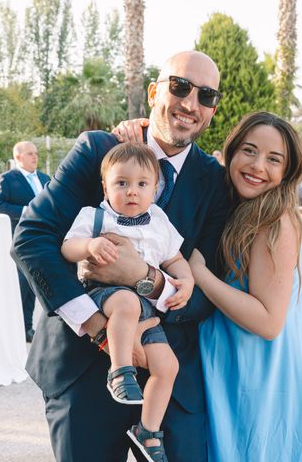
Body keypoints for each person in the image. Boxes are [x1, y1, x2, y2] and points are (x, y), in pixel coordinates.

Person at [12, 50, 230, 461]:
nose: (190, 103)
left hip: (170, 380)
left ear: (213, 109)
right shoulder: (98, 149)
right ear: (154, 92)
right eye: (180, 87)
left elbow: (208, 289)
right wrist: (99, 330)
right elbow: (32, 239)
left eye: (206, 95)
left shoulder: (216, 183)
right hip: (82, 371)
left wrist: (148, 278)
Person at [189, 112, 302, 461]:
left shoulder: (274, 222)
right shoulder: (241, 209)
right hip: (241, 369)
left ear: (288, 170)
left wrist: (201, 275)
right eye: (249, 151)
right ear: (231, 152)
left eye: (274, 159)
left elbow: (269, 322)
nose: (257, 166)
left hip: (263, 378)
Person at [62, 143, 193, 461]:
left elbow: (174, 258)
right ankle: (119, 371)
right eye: (122, 183)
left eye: (142, 184)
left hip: (148, 308)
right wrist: (90, 245)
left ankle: (148, 431)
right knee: (126, 303)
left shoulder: (159, 220)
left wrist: (186, 281)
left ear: (155, 188)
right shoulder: (95, 217)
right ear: (106, 186)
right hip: (105, 294)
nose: (132, 192)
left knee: (167, 367)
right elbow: (68, 248)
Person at [0, 141, 50, 343]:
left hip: (44, 239)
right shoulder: (7, 179)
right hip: (19, 239)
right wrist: (26, 211)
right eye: (30, 154)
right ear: (18, 157)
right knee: (22, 284)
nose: (35, 157)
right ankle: (22, 328)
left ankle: (34, 328)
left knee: (38, 284)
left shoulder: (45, 178)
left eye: (36, 153)